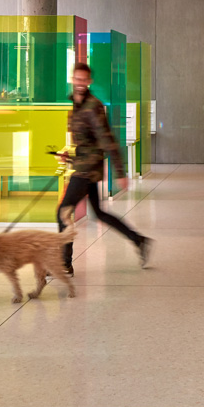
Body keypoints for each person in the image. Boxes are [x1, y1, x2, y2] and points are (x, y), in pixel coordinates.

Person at [56, 62, 151, 276]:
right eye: (77, 79)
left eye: (84, 80)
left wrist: (120, 173)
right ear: (72, 79)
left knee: (62, 212)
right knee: (98, 213)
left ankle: (64, 264)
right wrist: (69, 156)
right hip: (83, 164)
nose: (80, 83)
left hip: (87, 170)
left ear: (89, 81)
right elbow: (86, 143)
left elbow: (107, 140)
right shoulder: (76, 105)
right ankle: (139, 240)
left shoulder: (93, 106)